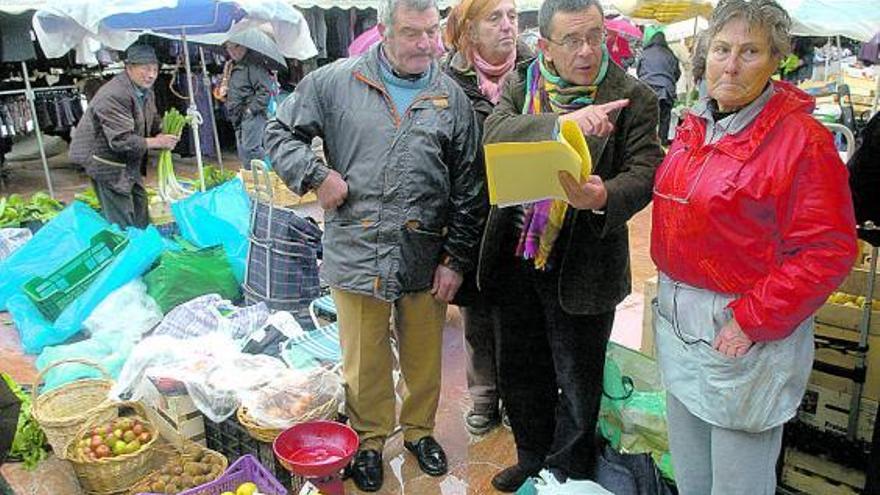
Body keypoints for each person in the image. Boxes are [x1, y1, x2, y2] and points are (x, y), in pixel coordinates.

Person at [264, 0, 484, 491]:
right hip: (356, 248)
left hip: (424, 255)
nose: (426, 44)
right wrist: (314, 175)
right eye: (412, 33)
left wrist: (455, 259)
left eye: (432, 32)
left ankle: (420, 432)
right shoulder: (334, 83)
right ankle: (368, 440)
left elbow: (472, 188)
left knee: (423, 355)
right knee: (364, 358)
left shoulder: (453, 99)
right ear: (383, 31)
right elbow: (278, 132)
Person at [650, 1, 859, 493]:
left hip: (743, 335)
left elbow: (828, 249)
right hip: (682, 330)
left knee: (737, 484)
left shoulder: (801, 140)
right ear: (705, 56)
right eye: (722, 49)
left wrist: (751, 319)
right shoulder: (695, 125)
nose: (732, 63)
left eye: (750, 51)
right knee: (693, 479)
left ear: (775, 60)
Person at [479, 0, 664, 490]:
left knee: (578, 379)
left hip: (585, 261)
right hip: (517, 250)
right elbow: (493, 133)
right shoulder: (523, 83)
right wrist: (563, 125)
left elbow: (645, 172)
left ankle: (568, 471)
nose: (586, 51)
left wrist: (603, 195)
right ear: (545, 46)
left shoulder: (633, 96)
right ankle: (530, 456)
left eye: (595, 37)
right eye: (572, 41)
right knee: (520, 368)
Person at [442, 0, 529, 437]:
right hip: (472, 212)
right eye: (495, 17)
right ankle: (483, 396)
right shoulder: (448, 80)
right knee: (477, 311)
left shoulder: (535, 68)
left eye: (512, 16)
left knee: (518, 312)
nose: (508, 26)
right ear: (470, 30)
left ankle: (517, 397)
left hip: (521, 214)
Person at [69, 44, 178, 228]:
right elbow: (120, 140)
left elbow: (150, 119)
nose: (151, 74)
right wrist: (158, 141)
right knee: (122, 220)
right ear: (129, 68)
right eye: (145, 69)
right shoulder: (114, 94)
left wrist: (161, 130)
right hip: (106, 165)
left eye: (155, 69)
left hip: (128, 163)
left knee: (140, 209)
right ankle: (126, 251)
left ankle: (141, 248)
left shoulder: (145, 90)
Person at [224, 42, 274, 169]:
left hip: (252, 114)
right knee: (243, 151)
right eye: (228, 48)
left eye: (236, 47)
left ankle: (269, 174)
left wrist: (251, 110)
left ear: (245, 46)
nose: (232, 51)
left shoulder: (254, 65)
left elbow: (265, 90)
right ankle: (252, 181)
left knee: (251, 149)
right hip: (238, 115)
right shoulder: (232, 66)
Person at [637, 26, 681, 145]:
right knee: (664, 118)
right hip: (666, 90)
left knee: (646, 119)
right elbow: (677, 73)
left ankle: (645, 145)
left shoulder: (645, 53)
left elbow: (638, 71)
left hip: (647, 89)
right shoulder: (670, 54)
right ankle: (661, 144)